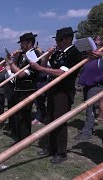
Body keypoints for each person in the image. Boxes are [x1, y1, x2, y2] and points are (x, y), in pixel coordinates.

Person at [29, 27, 83, 164]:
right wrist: (47, 55)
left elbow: (61, 72)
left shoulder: (74, 53)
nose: (57, 43)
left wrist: (40, 69)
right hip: (53, 89)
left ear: (68, 39)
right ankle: (50, 148)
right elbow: (45, 64)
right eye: (56, 40)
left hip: (63, 92)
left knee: (59, 121)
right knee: (50, 119)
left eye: (59, 40)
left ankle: (61, 152)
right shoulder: (58, 53)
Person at [6, 32, 40, 142]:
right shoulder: (21, 54)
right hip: (18, 88)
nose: (20, 45)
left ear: (29, 43)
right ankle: (18, 135)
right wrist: (14, 58)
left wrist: (11, 63)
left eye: (22, 43)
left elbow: (21, 73)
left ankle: (24, 138)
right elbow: (13, 69)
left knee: (24, 114)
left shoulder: (34, 55)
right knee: (17, 114)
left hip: (27, 89)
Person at [74, 44, 103, 140]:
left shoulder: (100, 59)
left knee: (90, 108)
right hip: (87, 86)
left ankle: (87, 132)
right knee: (89, 108)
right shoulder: (89, 59)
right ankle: (88, 128)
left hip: (96, 86)